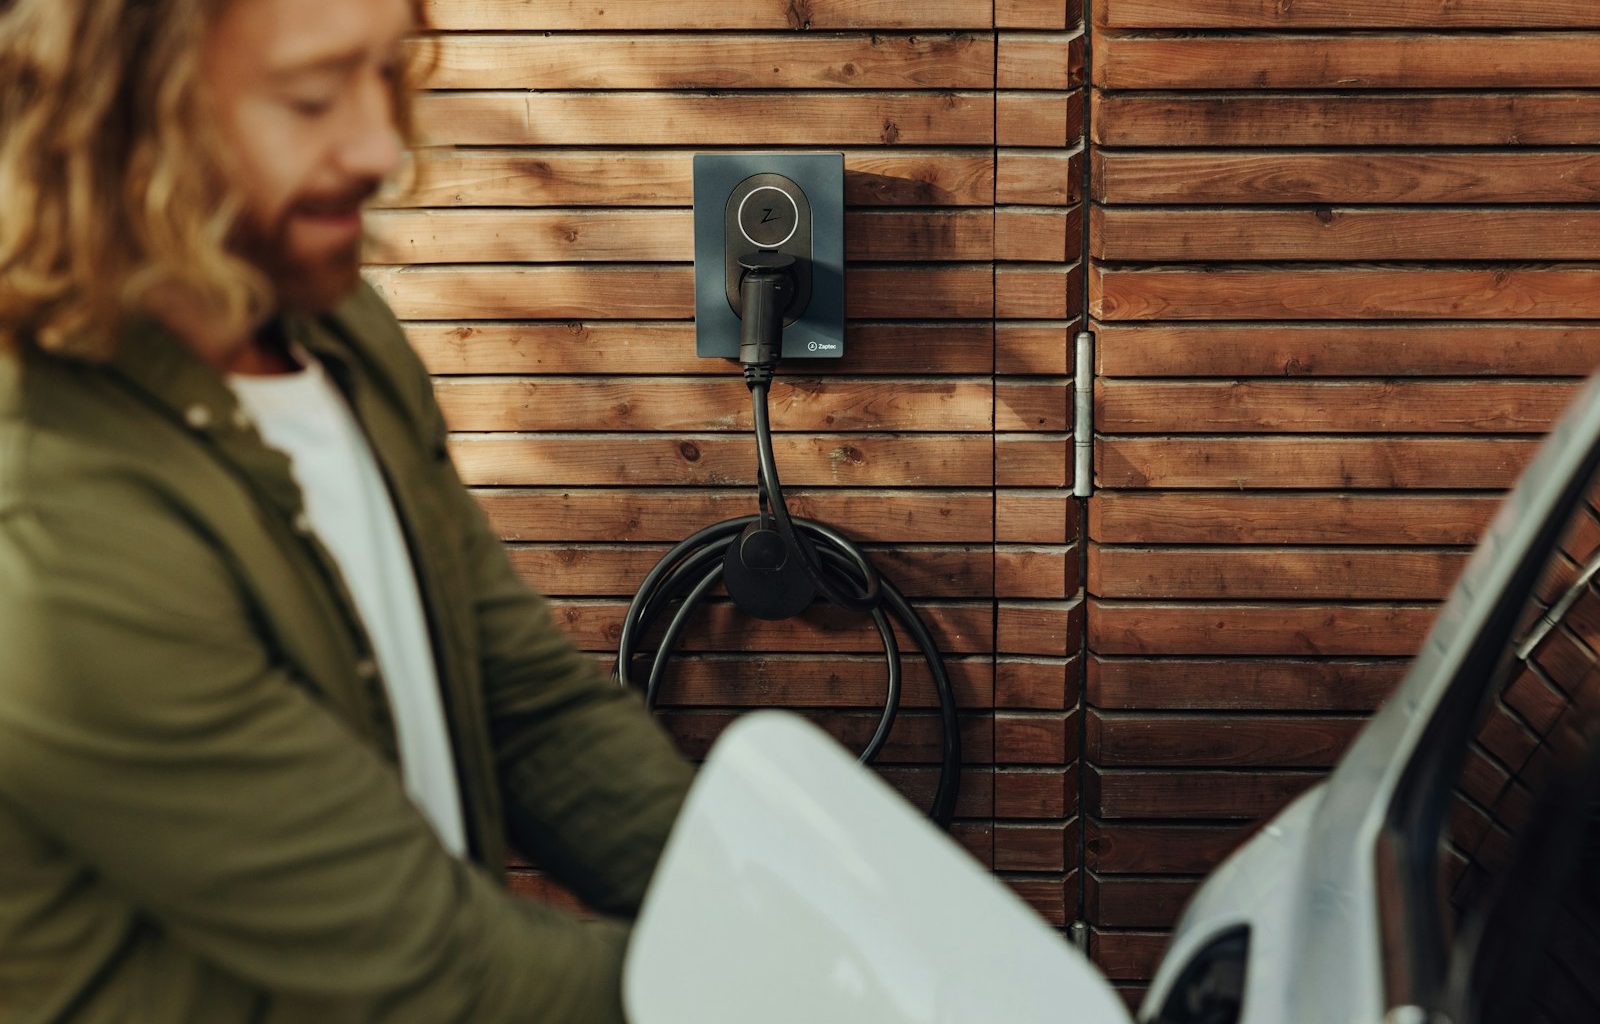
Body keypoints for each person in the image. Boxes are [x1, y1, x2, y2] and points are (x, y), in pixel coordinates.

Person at [0, 1, 695, 1020]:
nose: (380, 146)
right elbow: (437, 972)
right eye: (311, 97)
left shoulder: (334, 328)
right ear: (118, 104)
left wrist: (794, 912)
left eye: (388, 72)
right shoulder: (50, 515)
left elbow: (528, 710)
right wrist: (804, 991)